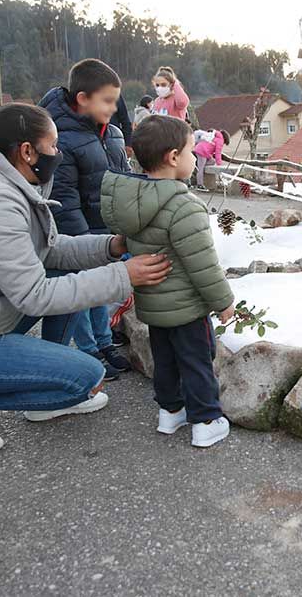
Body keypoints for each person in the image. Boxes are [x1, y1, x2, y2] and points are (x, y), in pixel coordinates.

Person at [0, 103, 171, 458]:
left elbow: (50, 252)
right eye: (53, 145)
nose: (58, 153)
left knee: (66, 277)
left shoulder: (3, 183)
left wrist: (112, 247)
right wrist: (124, 276)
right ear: (27, 151)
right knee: (85, 378)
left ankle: (46, 389)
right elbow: (34, 296)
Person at [100, 115, 234, 448]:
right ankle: (205, 420)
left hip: (154, 307)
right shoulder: (184, 206)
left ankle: (170, 412)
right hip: (187, 308)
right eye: (191, 151)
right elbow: (202, 264)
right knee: (196, 359)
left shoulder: (135, 203)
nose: (194, 157)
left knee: (166, 361)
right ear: (173, 157)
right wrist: (224, 301)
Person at [39, 59, 131, 379]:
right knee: (82, 291)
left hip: (107, 227)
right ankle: (88, 348)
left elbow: (124, 180)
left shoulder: (113, 134)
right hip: (79, 232)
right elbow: (63, 199)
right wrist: (82, 241)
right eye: (107, 100)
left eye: (115, 100)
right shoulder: (60, 139)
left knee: (102, 292)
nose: (114, 107)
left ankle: (104, 342)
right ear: (82, 98)